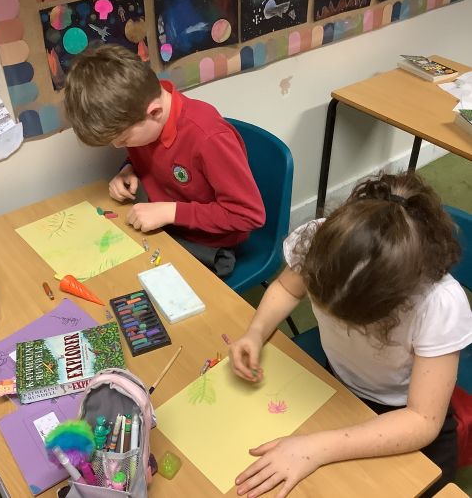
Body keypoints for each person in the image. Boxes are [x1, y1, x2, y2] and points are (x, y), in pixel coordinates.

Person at [229, 171, 472, 498]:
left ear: (399, 299)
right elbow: (287, 288)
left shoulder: (438, 302)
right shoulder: (322, 241)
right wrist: (256, 332)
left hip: (402, 414)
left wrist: (316, 448)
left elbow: (422, 420)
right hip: (338, 385)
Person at [64, 44, 265, 277]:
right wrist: (128, 168)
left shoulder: (208, 138)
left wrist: (170, 212)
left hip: (210, 245)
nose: (118, 146)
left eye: (123, 139)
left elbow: (248, 215)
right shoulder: (144, 117)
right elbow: (157, 155)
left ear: (155, 113)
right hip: (167, 228)